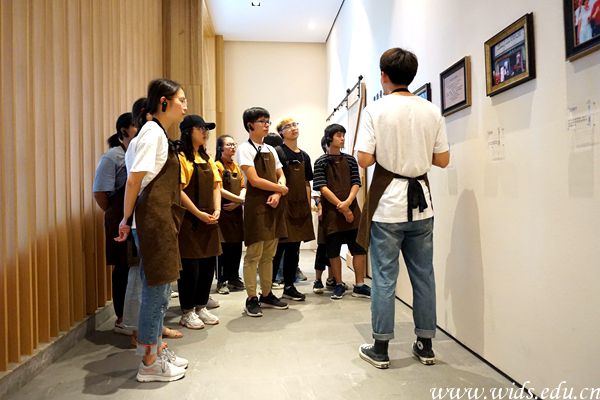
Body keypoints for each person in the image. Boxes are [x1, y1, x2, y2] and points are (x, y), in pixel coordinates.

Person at [355, 48, 449, 369]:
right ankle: (425, 345)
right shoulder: (431, 110)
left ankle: (381, 348)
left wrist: (390, 150)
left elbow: (364, 159)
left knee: (384, 277)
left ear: (383, 75)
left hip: (388, 206)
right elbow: (443, 160)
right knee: (424, 276)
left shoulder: (375, 109)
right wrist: (416, 152)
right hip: (422, 206)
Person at [115, 78, 189, 382]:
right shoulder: (152, 133)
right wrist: (125, 219)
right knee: (156, 293)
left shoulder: (156, 133)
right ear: (163, 102)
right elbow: (135, 179)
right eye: (181, 100)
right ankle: (149, 362)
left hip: (157, 220)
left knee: (160, 292)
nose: (185, 106)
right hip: (152, 221)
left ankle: (156, 350)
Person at [237, 107, 289, 317]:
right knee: (253, 255)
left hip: (273, 205)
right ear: (250, 125)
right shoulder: (244, 149)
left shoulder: (271, 149)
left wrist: (277, 194)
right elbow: (255, 180)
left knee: (269, 254)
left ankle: (266, 294)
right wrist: (280, 189)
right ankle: (251, 298)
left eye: (268, 121)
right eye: (262, 121)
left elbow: (281, 175)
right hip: (256, 206)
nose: (267, 124)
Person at [312, 124, 371, 300]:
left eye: (343, 135)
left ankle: (359, 284)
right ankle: (338, 283)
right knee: (333, 250)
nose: (342, 138)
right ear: (329, 138)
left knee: (358, 248)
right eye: (338, 135)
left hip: (352, 208)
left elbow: (356, 182)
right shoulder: (320, 162)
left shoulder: (351, 160)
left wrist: (348, 203)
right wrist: (341, 206)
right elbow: (322, 187)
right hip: (332, 212)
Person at [93, 112, 137, 335]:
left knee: (136, 267)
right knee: (123, 267)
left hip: (136, 219)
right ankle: (121, 317)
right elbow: (100, 193)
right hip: (119, 218)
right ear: (123, 131)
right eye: (135, 125)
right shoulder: (112, 157)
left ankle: (134, 316)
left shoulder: (137, 154)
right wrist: (116, 215)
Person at [176, 115, 222, 329]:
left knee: (208, 264)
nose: (205, 132)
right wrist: (197, 213)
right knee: (190, 267)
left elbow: (216, 186)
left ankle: (201, 306)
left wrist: (217, 209)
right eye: (200, 128)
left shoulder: (207, 158)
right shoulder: (180, 158)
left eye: (206, 129)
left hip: (209, 218)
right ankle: (187, 311)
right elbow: (179, 191)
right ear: (188, 131)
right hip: (189, 220)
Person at [272, 118, 315, 301]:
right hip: (282, 207)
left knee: (294, 248)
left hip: (300, 207)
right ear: (281, 133)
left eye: (295, 124)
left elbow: (306, 183)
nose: (293, 128)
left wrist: (307, 205)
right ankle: (267, 290)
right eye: (287, 126)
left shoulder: (304, 156)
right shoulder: (277, 152)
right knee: (278, 249)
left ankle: (289, 287)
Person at [215, 134, 246, 294]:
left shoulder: (237, 166)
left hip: (236, 213)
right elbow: (219, 189)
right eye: (229, 144)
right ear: (220, 148)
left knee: (236, 246)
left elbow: (243, 187)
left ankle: (234, 277)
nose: (233, 147)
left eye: (234, 144)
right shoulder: (216, 166)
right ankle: (222, 280)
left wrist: (238, 202)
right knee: (223, 248)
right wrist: (239, 201)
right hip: (223, 213)